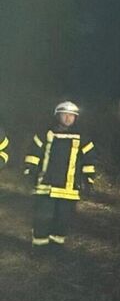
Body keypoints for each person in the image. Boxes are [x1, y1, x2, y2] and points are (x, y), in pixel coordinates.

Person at [23, 101, 97, 247]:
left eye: (72, 116)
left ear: (76, 118)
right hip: (45, 186)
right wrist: (30, 171)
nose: (68, 118)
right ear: (57, 116)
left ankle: (56, 248)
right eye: (65, 115)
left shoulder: (82, 138)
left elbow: (90, 160)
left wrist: (88, 180)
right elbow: (34, 153)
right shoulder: (46, 134)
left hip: (69, 189)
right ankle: (39, 246)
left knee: (63, 219)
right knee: (42, 217)